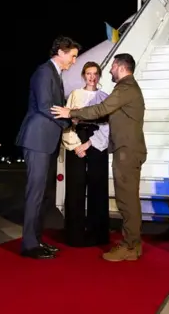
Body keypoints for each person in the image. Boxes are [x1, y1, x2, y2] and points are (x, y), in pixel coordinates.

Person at [51, 53, 146, 262]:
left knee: (127, 201)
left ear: (120, 67)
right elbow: (105, 115)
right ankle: (133, 245)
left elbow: (102, 110)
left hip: (126, 151)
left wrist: (70, 113)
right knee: (127, 200)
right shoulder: (126, 88)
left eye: (112, 66)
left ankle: (130, 245)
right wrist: (75, 115)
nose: (110, 70)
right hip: (126, 150)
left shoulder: (125, 88)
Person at [15, 36, 80, 259]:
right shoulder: (44, 72)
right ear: (61, 52)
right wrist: (68, 121)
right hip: (38, 139)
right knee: (35, 193)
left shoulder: (56, 74)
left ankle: (37, 240)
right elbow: (45, 106)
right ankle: (29, 245)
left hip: (47, 139)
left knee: (43, 194)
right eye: (72, 56)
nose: (73, 61)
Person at [61, 62, 110, 247]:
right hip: (77, 140)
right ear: (84, 75)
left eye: (95, 73)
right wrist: (75, 145)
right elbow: (67, 121)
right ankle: (75, 235)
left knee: (98, 188)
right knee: (75, 188)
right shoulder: (75, 95)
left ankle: (97, 235)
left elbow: (107, 126)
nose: (92, 77)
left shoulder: (104, 97)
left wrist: (90, 144)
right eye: (88, 73)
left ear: (99, 76)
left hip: (97, 141)